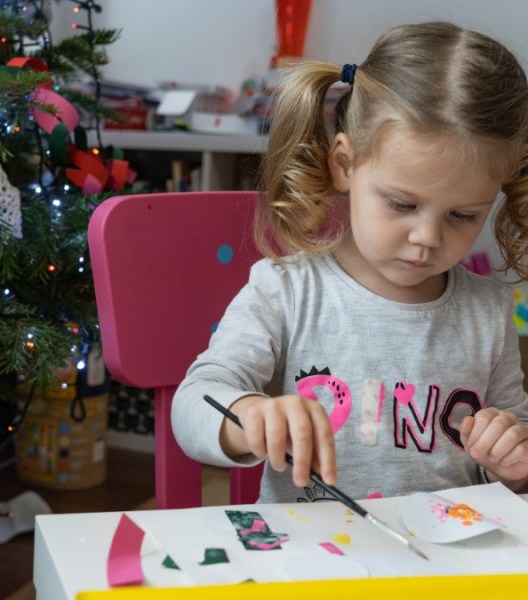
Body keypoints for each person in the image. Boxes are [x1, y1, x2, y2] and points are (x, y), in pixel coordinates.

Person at [171, 21, 528, 504]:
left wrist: (514, 463)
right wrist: (248, 416)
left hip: (443, 565)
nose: (427, 237)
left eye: (462, 215)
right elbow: (195, 402)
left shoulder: (487, 311)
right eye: (402, 204)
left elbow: (516, 450)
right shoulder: (287, 291)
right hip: (309, 564)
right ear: (345, 164)